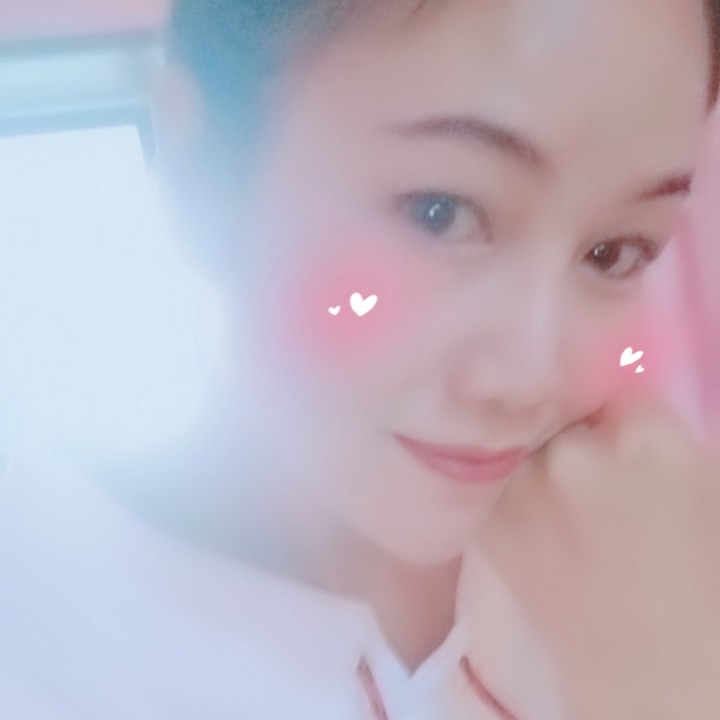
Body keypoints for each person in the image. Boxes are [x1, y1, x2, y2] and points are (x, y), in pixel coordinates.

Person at [1, 0, 719, 717]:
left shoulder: (662, 582)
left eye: (614, 253)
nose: (529, 379)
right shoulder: (38, 635)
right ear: (203, 168)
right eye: (440, 211)